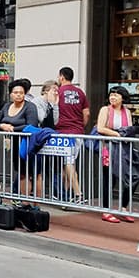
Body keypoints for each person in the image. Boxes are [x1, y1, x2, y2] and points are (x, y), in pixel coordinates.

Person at [96, 86, 137, 223]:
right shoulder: (105, 110)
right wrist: (117, 134)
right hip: (109, 147)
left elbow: (129, 128)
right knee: (110, 178)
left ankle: (124, 208)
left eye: (116, 95)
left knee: (132, 177)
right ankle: (106, 210)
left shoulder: (127, 112)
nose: (112, 97)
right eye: (111, 95)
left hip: (124, 149)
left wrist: (124, 135)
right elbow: (100, 128)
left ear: (123, 98)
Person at [0, 79, 39, 195]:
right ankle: (22, 199)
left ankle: (32, 202)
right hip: (13, 144)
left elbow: (32, 125)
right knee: (20, 172)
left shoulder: (30, 107)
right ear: (10, 94)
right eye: (16, 92)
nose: (19, 95)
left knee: (30, 173)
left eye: (21, 92)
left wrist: (13, 129)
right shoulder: (6, 106)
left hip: (27, 144)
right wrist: (3, 126)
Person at [57, 66, 90, 203]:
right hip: (77, 132)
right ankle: (65, 195)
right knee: (69, 163)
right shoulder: (80, 93)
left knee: (68, 163)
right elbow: (87, 113)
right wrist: (81, 126)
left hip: (62, 132)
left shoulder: (59, 92)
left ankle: (78, 193)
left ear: (62, 77)